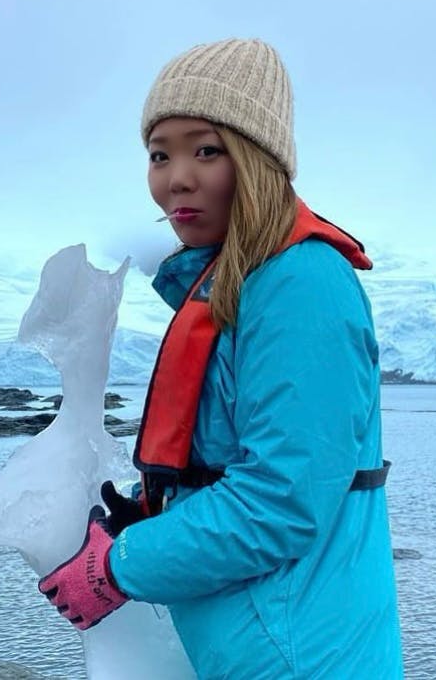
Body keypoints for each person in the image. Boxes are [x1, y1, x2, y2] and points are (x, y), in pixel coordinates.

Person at [36, 37, 404, 679]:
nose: (176, 177)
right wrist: (153, 511)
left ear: (257, 159)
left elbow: (281, 501)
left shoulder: (302, 287)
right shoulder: (248, 285)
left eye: (205, 150)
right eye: (160, 154)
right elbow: (231, 465)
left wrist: (119, 566)